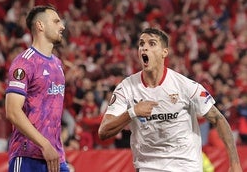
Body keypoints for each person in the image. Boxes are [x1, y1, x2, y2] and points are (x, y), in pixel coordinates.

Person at [98, 28, 242, 172]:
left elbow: (218, 119)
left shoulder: (185, 86)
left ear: (164, 52)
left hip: (185, 166)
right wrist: (132, 112)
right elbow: (103, 131)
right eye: (141, 44)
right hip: (148, 167)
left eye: (152, 43)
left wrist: (235, 163)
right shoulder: (126, 88)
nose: (144, 47)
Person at [5, 5, 69, 172]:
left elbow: (53, 115)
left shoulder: (58, 64)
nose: (62, 26)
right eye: (56, 21)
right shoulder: (24, 62)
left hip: (55, 157)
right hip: (27, 156)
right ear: (40, 25)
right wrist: (45, 144)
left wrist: (56, 148)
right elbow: (12, 111)